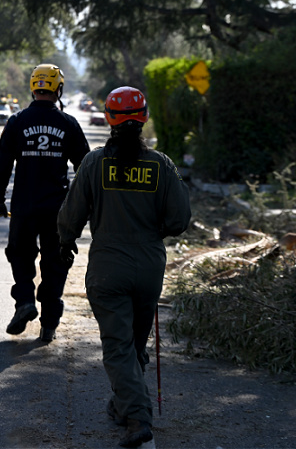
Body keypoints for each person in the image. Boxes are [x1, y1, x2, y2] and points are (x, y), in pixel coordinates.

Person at [57, 86, 191, 447]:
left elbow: (71, 216)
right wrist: (153, 233)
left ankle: (137, 418)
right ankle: (121, 406)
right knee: (132, 343)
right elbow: (179, 219)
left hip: (107, 269)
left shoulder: (94, 163)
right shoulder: (160, 165)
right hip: (149, 268)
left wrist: (65, 242)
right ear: (144, 116)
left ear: (109, 118)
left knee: (119, 346)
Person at [0, 63, 90, 342]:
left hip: (24, 206)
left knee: (20, 255)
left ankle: (24, 302)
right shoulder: (68, 124)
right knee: (56, 262)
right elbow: (86, 167)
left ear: (33, 88)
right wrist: (85, 207)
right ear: (59, 89)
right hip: (58, 209)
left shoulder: (17, 121)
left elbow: (2, 165)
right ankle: (49, 324)